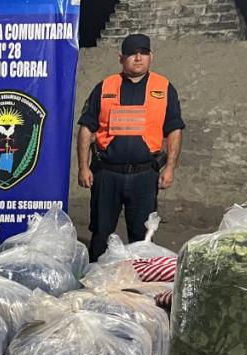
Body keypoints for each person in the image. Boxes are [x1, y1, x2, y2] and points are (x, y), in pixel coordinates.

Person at [75, 33, 185, 260]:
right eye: (132, 54)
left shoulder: (164, 88)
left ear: (151, 57)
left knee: (142, 236)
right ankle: (96, 282)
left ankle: (139, 287)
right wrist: (83, 167)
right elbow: (86, 127)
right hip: (107, 174)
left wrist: (170, 168)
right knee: (101, 233)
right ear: (121, 58)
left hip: (144, 176)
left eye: (143, 53)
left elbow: (174, 129)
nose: (138, 58)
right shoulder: (105, 87)